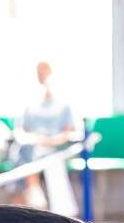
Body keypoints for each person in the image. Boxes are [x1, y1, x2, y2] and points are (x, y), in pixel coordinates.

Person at [14, 61, 77, 210]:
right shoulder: (29, 105)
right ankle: (33, 193)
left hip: (55, 147)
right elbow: (20, 131)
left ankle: (34, 195)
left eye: (46, 74)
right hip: (31, 146)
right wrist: (34, 140)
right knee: (26, 150)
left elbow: (68, 132)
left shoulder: (64, 106)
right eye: (40, 74)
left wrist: (51, 141)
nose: (43, 78)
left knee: (35, 155)